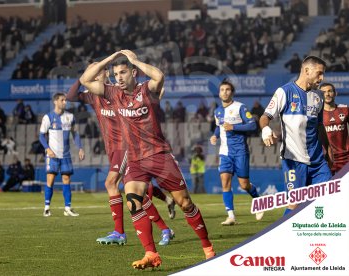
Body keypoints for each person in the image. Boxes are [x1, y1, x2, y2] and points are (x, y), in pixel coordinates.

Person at [80, 50, 215, 269]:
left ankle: (208, 248)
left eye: (123, 72)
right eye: (115, 74)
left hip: (159, 156)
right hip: (135, 159)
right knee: (133, 201)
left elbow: (159, 76)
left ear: (133, 72)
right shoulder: (113, 93)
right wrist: (107, 60)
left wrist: (134, 60)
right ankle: (151, 254)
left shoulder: (147, 90)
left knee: (185, 203)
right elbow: (85, 79)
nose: (119, 78)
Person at [67, 64, 175, 247]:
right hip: (112, 149)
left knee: (111, 183)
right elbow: (70, 97)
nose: (92, 75)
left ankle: (120, 232)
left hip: (126, 146)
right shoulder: (94, 95)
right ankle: (165, 228)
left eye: (96, 71)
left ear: (106, 73)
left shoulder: (119, 91)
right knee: (135, 194)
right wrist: (82, 76)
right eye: (90, 72)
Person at [260, 56, 332, 216]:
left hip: (318, 162)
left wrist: (328, 151)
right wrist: (265, 129)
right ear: (306, 70)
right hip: (294, 161)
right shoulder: (284, 92)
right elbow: (265, 117)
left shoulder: (318, 96)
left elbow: (320, 126)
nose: (322, 78)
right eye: (319, 73)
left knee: (327, 202)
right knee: (295, 205)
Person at [210, 80, 264, 225]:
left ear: (232, 92)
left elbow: (252, 125)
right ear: (219, 93)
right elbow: (219, 127)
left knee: (244, 184)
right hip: (225, 152)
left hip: (240, 151)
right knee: (225, 182)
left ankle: (258, 201)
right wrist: (215, 135)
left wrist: (233, 127)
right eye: (222, 89)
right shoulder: (218, 111)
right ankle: (231, 216)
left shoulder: (240, 107)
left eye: (227, 89)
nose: (224, 92)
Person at [39, 92, 85, 217]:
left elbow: (75, 134)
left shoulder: (70, 117)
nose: (65, 102)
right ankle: (47, 207)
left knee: (66, 179)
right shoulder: (48, 117)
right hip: (52, 155)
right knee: (50, 180)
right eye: (62, 100)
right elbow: (41, 136)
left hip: (65, 155)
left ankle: (67, 208)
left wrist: (80, 148)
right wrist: (47, 149)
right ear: (55, 102)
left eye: (65, 100)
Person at [320, 82, 348, 175]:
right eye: (323, 92)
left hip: (346, 158)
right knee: (329, 188)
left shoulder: (345, 109)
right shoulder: (316, 115)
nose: (327, 94)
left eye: (330, 91)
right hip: (326, 160)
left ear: (335, 93)